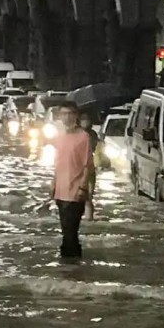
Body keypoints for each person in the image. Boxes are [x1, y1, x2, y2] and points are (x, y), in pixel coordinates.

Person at [51, 101, 94, 258]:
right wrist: (53, 184)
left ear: (76, 116)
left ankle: (70, 266)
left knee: (70, 232)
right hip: (61, 191)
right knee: (66, 232)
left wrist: (83, 188)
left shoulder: (84, 137)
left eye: (70, 114)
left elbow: (87, 165)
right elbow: (58, 163)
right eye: (64, 114)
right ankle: (72, 268)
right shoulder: (60, 137)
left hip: (75, 192)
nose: (67, 117)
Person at [79, 111, 99, 221]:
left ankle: (89, 218)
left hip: (90, 168)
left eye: (87, 119)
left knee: (89, 196)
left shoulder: (93, 134)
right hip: (78, 169)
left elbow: (94, 147)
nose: (85, 121)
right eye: (83, 119)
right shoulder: (76, 134)